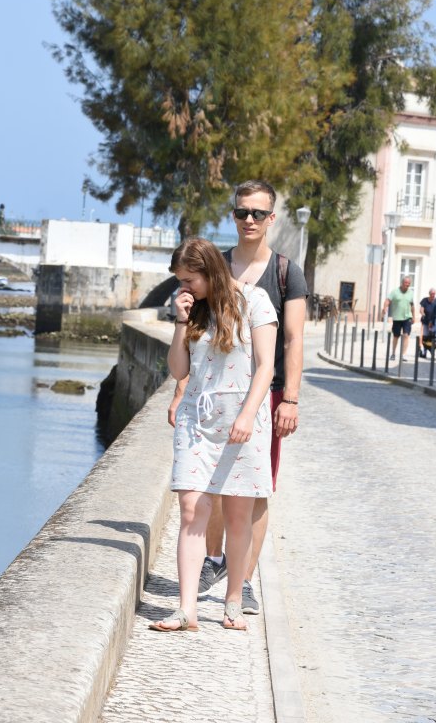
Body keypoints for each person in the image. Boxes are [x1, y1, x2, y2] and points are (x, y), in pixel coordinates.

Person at [168, 180, 308, 614]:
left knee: (252, 495)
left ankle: (243, 581)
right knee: (206, 494)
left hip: (266, 394)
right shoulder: (214, 269)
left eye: (258, 213)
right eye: (242, 212)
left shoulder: (284, 273)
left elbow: (293, 339)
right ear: (233, 216)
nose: (249, 219)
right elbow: (193, 356)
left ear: (271, 219)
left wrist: (291, 399)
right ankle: (212, 561)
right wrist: (179, 391)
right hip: (209, 400)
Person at [149, 238, 277, 632]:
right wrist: (180, 321)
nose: (185, 287)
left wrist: (249, 415)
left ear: (210, 272)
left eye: (190, 279)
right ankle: (186, 609)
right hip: (197, 421)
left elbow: (266, 367)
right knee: (191, 508)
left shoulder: (255, 302)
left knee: (238, 516)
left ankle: (234, 601)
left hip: (242, 421)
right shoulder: (194, 311)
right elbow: (178, 371)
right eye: (180, 281)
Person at [383, 276, 415, 361]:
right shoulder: (395, 292)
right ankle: (393, 353)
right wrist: (385, 307)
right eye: (406, 283)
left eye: (409, 284)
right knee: (396, 336)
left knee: (406, 335)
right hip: (397, 317)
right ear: (402, 283)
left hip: (407, 317)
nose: (407, 285)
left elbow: (412, 305)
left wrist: (414, 316)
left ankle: (403, 354)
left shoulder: (411, 293)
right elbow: (387, 300)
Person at [419, 288, 436, 357]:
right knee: (425, 337)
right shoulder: (425, 300)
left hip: (433, 322)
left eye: (434, 294)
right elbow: (421, 309)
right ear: (429, 294)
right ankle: (424, 351)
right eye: (432, 294)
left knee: (432, 337)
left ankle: (432, 351)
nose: (433, 295)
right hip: (426, 321)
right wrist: (422, 313)